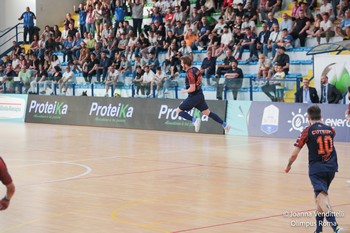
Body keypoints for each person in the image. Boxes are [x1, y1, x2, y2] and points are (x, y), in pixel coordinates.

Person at [285, 105, 344, 233]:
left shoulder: (308, 130)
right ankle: (318, 229)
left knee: (321, 197)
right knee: (319, 196)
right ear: (321, 117)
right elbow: (331, 133)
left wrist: (289, 165)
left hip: (317, 169)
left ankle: (336, 227)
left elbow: (294, 154)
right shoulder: (330, 129)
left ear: (308, 118)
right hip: (332, 168)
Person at [176, 56, 230, 133]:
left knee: (178, 111)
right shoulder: (195, 69)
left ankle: (194, 120)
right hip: (200, 95)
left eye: (181, 63)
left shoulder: (189, 73)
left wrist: (184, 91)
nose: (181, 65)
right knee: (208, 113)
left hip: (193, 96)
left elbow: (192, 88)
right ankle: (225, 124)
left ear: (185, 64)